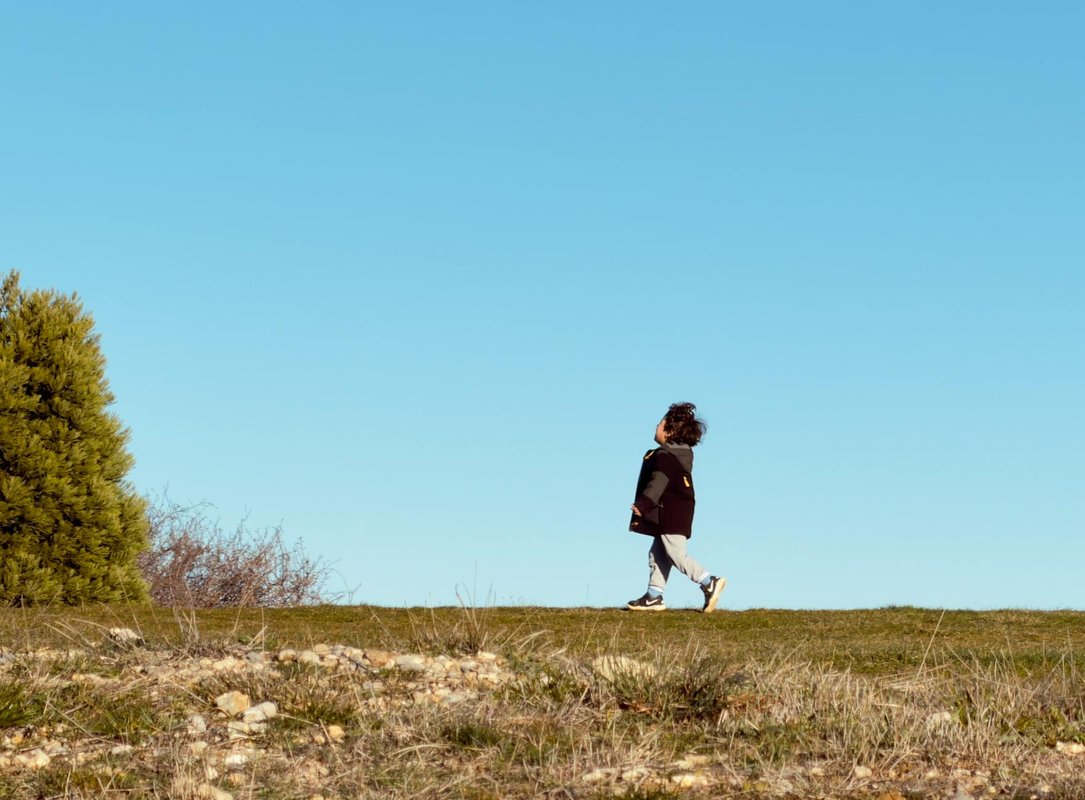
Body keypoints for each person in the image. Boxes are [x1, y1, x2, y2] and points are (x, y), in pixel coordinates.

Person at [626, 402, 725, 612]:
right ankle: (654, 596)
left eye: (659, 425)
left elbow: (658, 482)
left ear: (669, 432)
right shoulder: (680, 456)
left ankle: (709, 581)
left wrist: (644, 504)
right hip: (676, 511)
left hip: (670, 512)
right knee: (659, 553)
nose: (656, 427)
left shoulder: (665, 457)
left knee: (676, 554)